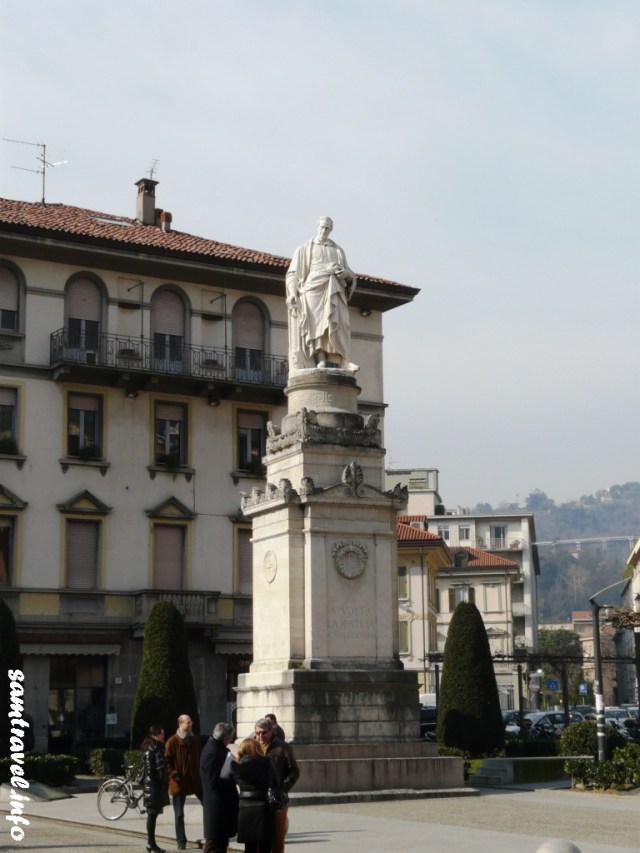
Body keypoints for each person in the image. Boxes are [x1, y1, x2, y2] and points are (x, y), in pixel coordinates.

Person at [286, 216, 357, 371]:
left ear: (331, 230)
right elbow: (293, 274)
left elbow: (350, 274)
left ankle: (344, 360)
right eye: (322, 227)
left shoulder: (337, 250)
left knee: (339, 324)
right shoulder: (304, 249)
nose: (324, 230)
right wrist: (292, 292)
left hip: (335, 288)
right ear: (317, 227)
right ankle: (320, 359)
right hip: (313, 290)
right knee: (317, 328)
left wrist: (347, 275)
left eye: (327, 228)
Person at [253, 717, 299, 853]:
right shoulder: (251, 746)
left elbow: (294, 771)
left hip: (277, 799)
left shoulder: (283, 747)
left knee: (278, 838)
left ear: (271, 731)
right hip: (257, 799)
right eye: (258, 733)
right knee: (258, 838)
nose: (260, 736)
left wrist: (283, 788)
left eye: (264, 732)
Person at [231, 737, 277, 853]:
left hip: (244, 808)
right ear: (257, 749)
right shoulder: (266, 763)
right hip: (262, 806)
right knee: (265, 845)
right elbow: (275, 780)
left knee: (249, 846)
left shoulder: (237, 766)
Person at [165, 713, 203, 850]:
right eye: (187, 722)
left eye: (191, 721)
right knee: (179, 814)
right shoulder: (172, 741)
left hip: (195, 780)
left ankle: (211, 834)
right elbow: (167, 761)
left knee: (209, 805)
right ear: (180, 723)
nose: (190, 723)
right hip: (179, 782)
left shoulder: (195, 740)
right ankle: (181, 840)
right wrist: (174, 774)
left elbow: (200, 757)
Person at [199, 722, 238, 853]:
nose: (231, 740)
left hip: (221, 806)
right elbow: (213, 782)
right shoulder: (213, 752)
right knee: (214, 846)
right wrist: (231, 780)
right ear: (226, 738)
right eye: (230, 737)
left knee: (220, 845)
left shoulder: (215, 748)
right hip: (217, 807)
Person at [141, 724, 170, 853]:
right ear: (154, 735)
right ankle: (150, 843)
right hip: (152, 788)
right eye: (161, 734)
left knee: (153, 815)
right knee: (152, 816)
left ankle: (151, 843)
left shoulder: (157, 748)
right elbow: (151, 771)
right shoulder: (151, 750)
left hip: (155, 787)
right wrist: (160, 780)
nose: (163, 736)